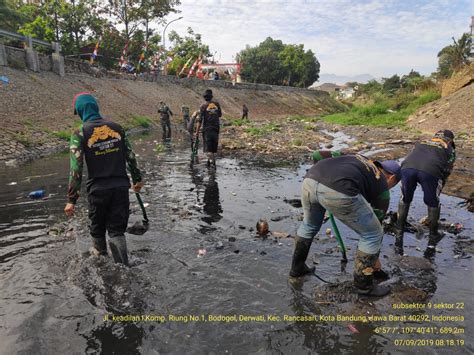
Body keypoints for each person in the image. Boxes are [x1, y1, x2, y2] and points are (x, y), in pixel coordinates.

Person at [291, 151, 401, 297]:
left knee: (310, 225)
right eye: (393, 185)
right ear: (392, 178)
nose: (390, 189)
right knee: (372, 234)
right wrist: (374, 261)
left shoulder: (358, 158)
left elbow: (318, 154)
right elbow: (376, 227)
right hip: (339, 189)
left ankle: (297, 268)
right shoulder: (381, 185)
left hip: (310, 180)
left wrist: (323, 178)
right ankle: (364, 287)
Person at [64, 92, 143, 265]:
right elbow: (130, 156)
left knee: (98, 231)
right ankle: (123, 267)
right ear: (95, 107)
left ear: (80, 111)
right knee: (116, 231)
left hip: (98, 191)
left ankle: (103, 269)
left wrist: (72, 199)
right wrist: (137, 179)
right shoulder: (117, 127)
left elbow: (76, 167)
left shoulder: (79, 133)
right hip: (120, 188)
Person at [395, 130, 456, 257]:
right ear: (449, 140)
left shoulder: (421, 142)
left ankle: (399, 230)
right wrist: (437, 186)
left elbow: (412, 156)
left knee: (405, 197)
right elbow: (447, 170)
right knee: (432, 202)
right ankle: (433, 235)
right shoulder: (449, 147)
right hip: (430, 170)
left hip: (407, 168)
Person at [194, 89, 222, 168]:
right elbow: (220, 115)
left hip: (207, 129)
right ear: (211, 97)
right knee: (213, 148)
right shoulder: (217, 104)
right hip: (216, 128)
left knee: (208, 150)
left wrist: (197, 132)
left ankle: (212, 163)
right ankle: (210, 162)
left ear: (204, 98)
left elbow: (199, 120)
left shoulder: (203, 106)